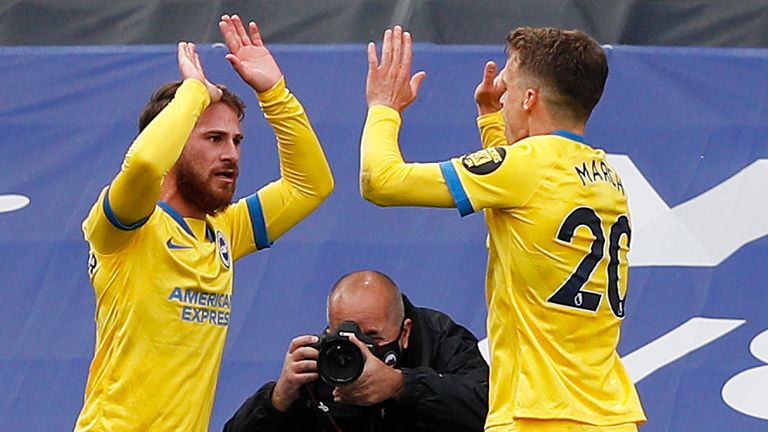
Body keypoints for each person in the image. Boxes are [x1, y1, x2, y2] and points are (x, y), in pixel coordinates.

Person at [360, 26, 646, 431]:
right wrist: (493, 120)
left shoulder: (526, 166)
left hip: (539, 415)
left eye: (508, 88)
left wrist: (383, 108)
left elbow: (380, 180)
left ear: (530, 99)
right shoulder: (606, 176)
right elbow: (517, 192)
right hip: (609, 415)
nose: (501, 92)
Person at [74, 14, 334, 432]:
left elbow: (310, 186)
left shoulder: (225, 229)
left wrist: (274, 93)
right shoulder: (128, 228)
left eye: (236, 140)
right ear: (173, 143)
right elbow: (143, 164)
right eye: (214, 139)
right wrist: (195, 91)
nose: (231, 153)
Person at [223, 270, 489, 432]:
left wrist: (402, 385)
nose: (361, 348)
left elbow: (489, 410)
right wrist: (277, 399)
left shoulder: (439, 341)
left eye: (373, 336)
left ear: (404, 332)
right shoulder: (325, 365)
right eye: (347, 335)